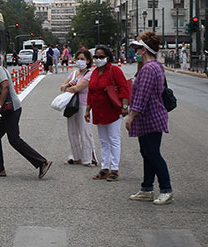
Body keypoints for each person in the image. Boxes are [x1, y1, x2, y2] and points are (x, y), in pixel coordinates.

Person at [0, 50, 52, 178]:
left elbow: (6, 87)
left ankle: (42, 162)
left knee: (14, 140)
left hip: (11, 109)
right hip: (6, 110)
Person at [126, 31, 173, 205]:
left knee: (152, 153)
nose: (135, 52)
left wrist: (131, 116)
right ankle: (147, 188)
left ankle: (166, 189)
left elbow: (141, 96)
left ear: (144, 50)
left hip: (151, 117)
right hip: (151, 117)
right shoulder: (153, 66)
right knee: (147, 153)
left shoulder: (149, 69)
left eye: (137, 49)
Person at [85, 45, 130, 181]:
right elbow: (91, 92)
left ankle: (114, 169)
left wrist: (125, 106)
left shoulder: (114, 71)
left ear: (108, 58)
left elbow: (123, 89)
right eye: (96, 57)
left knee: (114, 140)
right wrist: (88, 109)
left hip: (113, 110)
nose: (98, 59)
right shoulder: (94, 72)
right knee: (104, 141)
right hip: (99, 111)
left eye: (101, 56)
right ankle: (105, 168)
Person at [59, 49, 96, 166]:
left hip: (84, 105)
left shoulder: (89, 74)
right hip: (72, 105)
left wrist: (69, 87)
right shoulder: (74, 73)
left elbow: (78, 88)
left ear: (88, 61)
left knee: (85, 131)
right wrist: (69, 85)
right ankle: (76, 157)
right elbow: (62, 87)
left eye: (82, 59)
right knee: (72, 132)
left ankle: (90, 158)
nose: (80, 61)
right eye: (78, 59)